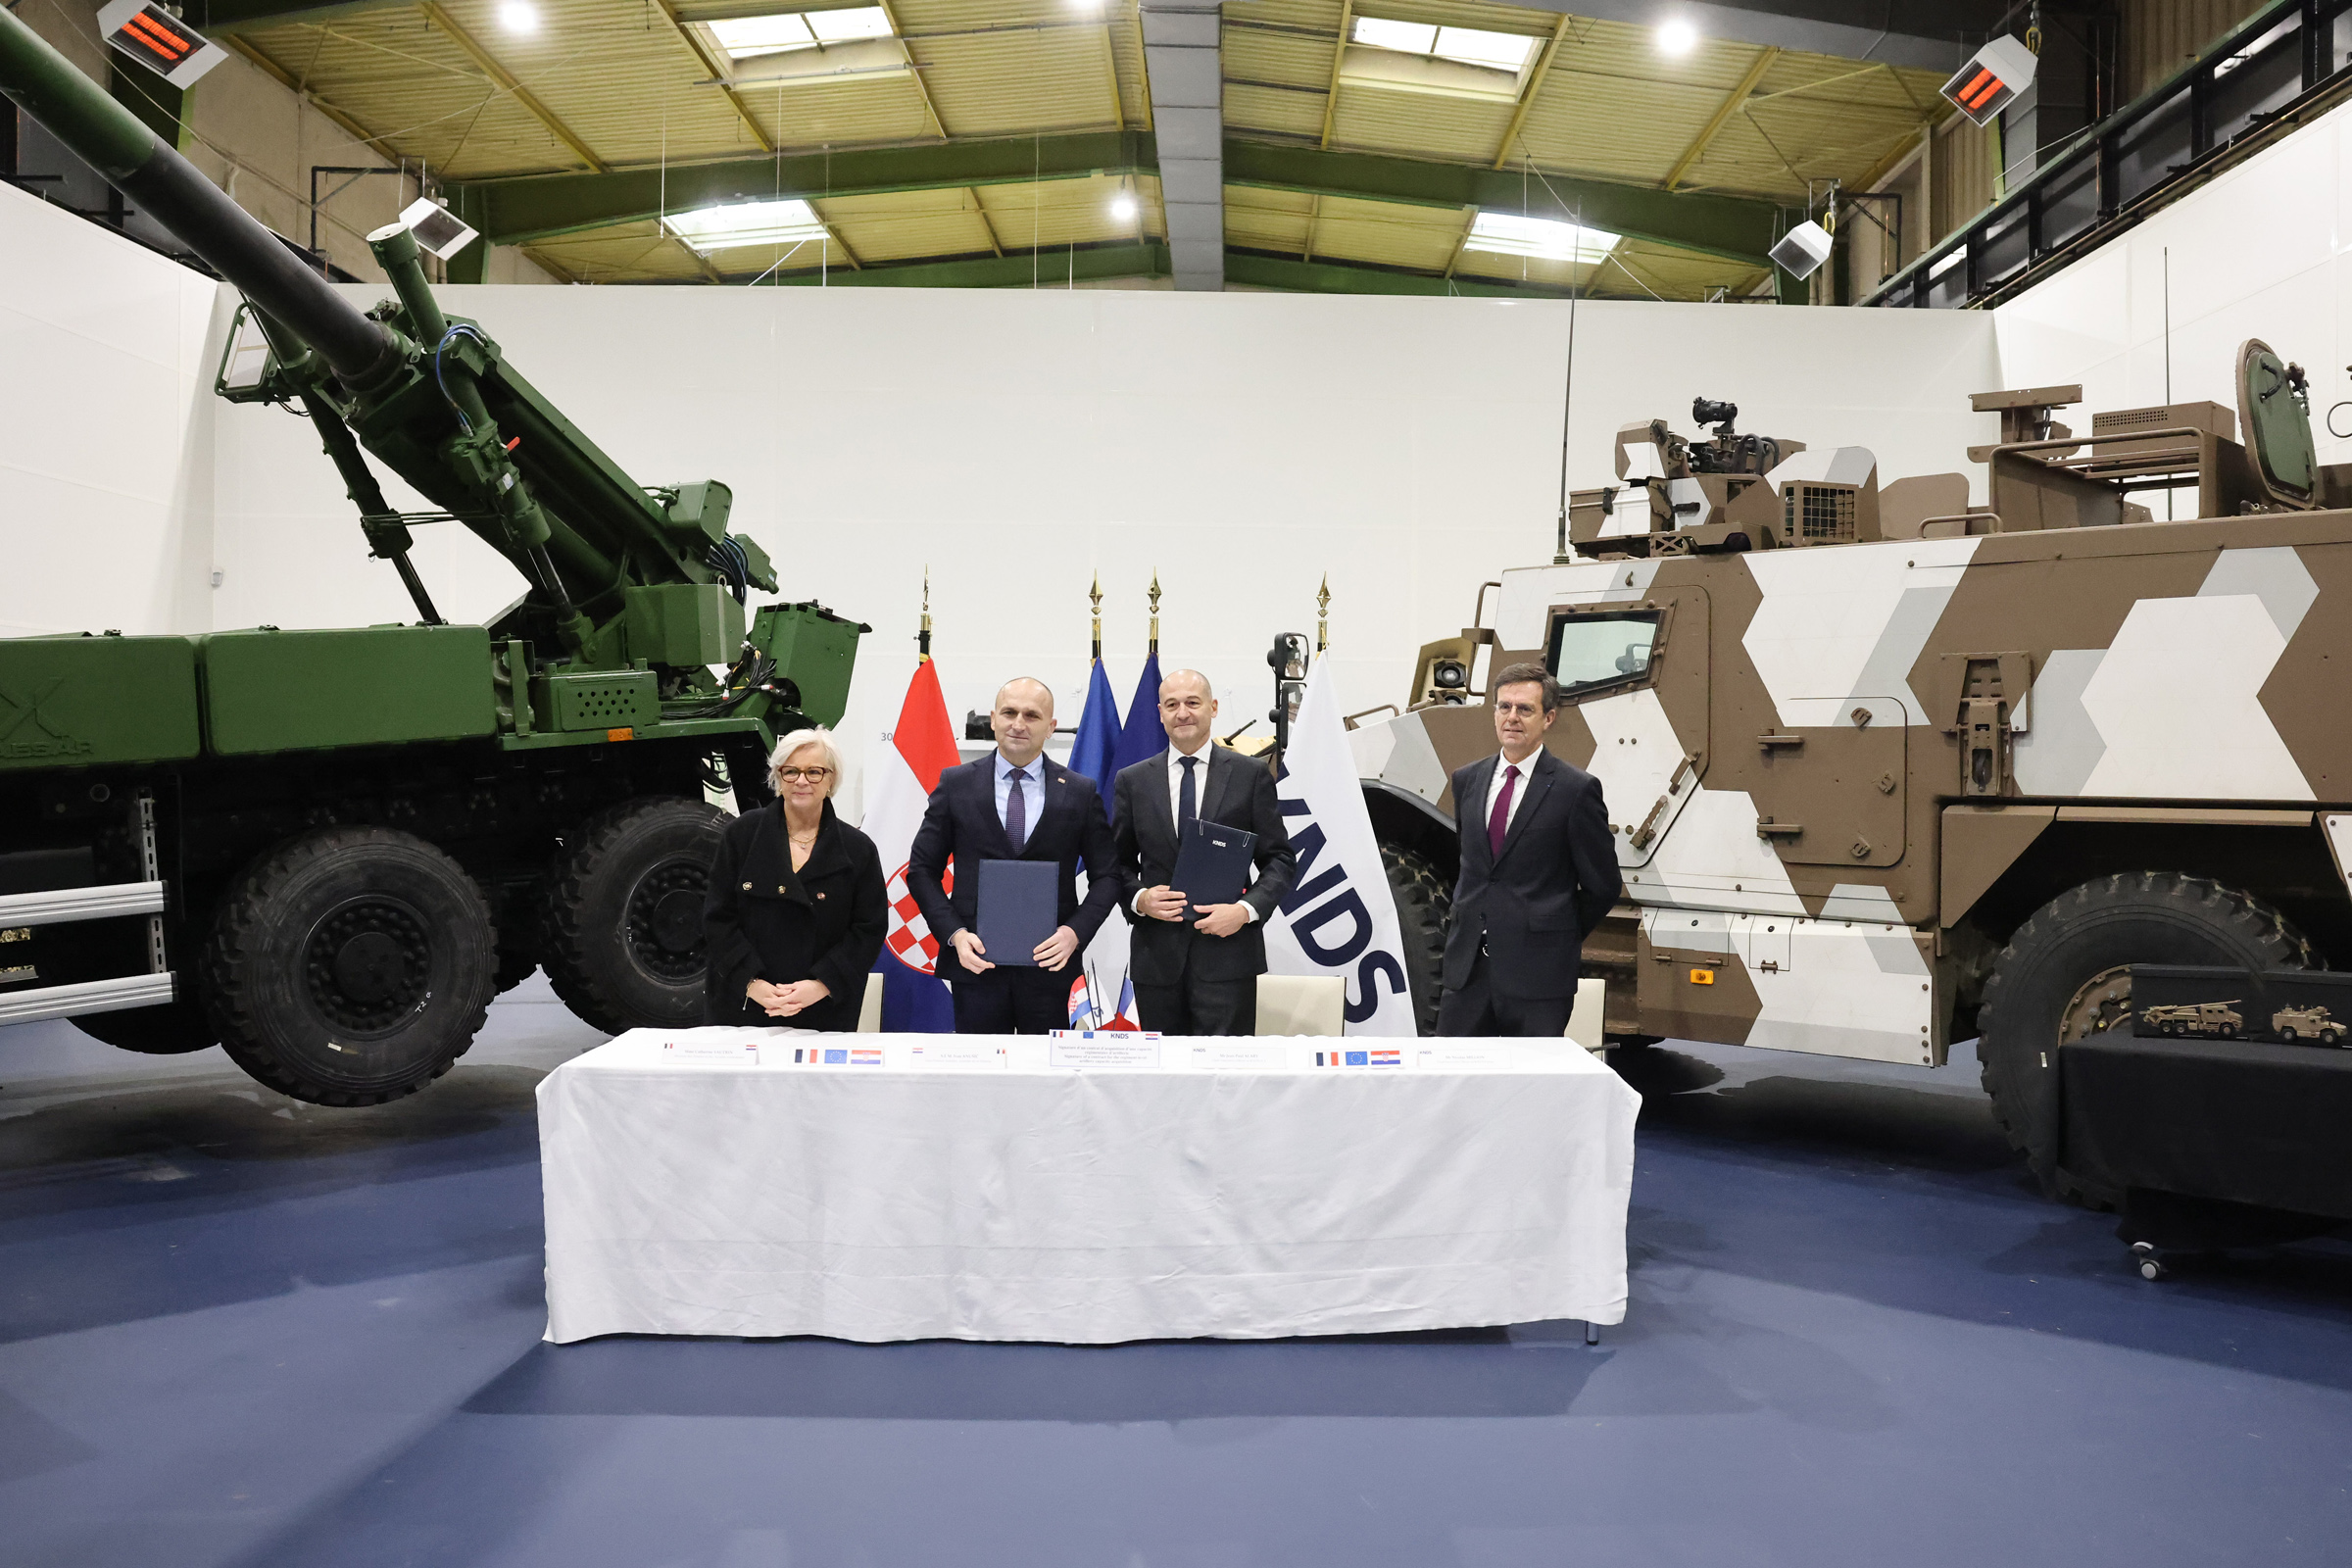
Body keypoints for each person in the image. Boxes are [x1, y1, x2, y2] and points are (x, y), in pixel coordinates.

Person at [907, 676, 1121, 1034]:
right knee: (982, 1069)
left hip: (1051, 968)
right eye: (1009, 713)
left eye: (1032, 715)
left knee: (1046, 1070)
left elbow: (1108, 876)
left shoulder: (1079, 792)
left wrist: (1074, 933)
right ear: (993, 719)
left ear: (1050, 726)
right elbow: (921, 870)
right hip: (976, 964)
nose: (1018, 724)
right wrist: (954, 934)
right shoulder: (955, 784)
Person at [1439, 662, 1621, 1038]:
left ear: (1548, 718)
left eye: (1525, 709)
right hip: (1467, 973)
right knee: (1454, 1072)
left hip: (1538, 978)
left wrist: (1554, 933)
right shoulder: (1466, 780)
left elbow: (1603, 886)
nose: (1512, 717)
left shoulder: (1576, 790)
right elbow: (1475, 867)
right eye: (1504, 707)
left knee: (1533, 1076)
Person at [1112, 669, 1296, 1035]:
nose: (1182, 713)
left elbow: (1280, 859)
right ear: (1160, 713)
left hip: (1229, 958)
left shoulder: (1251, 775)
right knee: (1163, 1069)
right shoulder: (1132, 781)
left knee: (1225, 1069)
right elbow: (1115, 864)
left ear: (1213, 708)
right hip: (1156, 962)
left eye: (1192, 703)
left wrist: (1245, 911)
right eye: (1172, 705)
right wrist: (1140, 899)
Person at [704, 727, 887, 1031]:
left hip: (824, 1010)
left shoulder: (859, 849)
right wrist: (752, 983)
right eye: (791, 771)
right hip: (743, 1005)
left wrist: (821, 984)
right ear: (778, 777)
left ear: (831, 779)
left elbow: (868, 930)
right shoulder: (741, 835)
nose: (802, 781)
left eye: (814, 772)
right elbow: (717, 918)